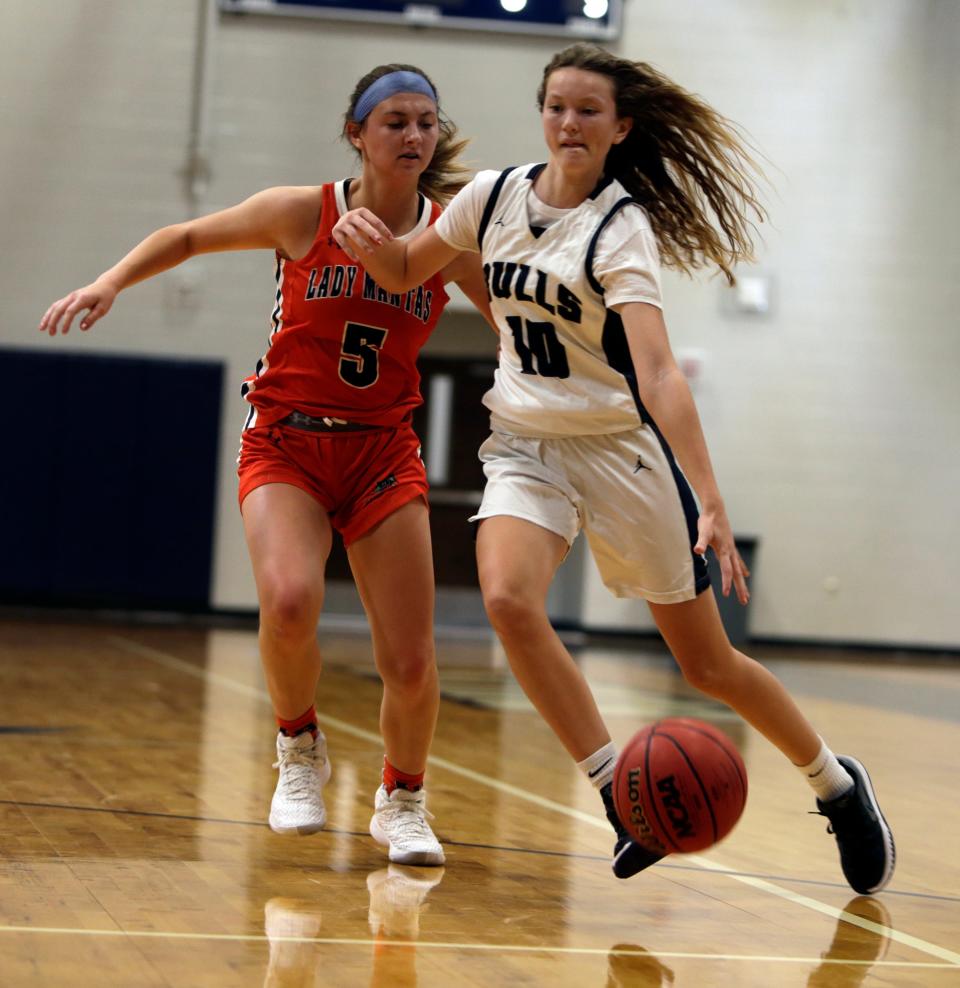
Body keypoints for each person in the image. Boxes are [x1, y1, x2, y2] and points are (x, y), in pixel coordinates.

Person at [331, 43, 896, 893]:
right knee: (509, 601)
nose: (569, 123)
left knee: (706, 665)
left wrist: (709, 497)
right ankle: (616, 793)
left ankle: (837, 786)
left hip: (618, 451)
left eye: (588, 110)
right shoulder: (489, 198)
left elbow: (660, 374)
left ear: (619, 127)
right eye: (557, 105)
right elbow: (413, 268)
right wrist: (366, 241)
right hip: (525, 443)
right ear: (542, 113)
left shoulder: (620, 228)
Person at [38, 63, 493, 867]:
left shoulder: (446, 235)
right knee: (288, 600)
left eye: (426, 121)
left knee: (412, 658)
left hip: (383, 448)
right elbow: (186, 237)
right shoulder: (301, 213)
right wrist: (109, 282)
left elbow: (512, 319)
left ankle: (404, 800)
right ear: (357, 134)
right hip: (287, 435)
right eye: (394, 121)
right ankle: (298, 747)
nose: (414, 136)